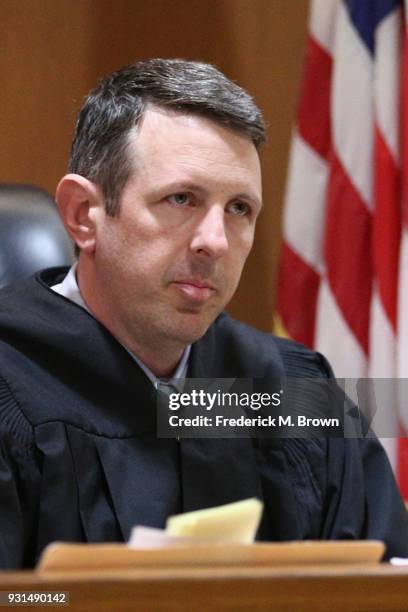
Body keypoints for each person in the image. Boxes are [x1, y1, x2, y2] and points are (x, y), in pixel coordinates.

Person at [0, 59, 406, 570]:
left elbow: (384, 587)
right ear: (84, 215)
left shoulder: (290, 389)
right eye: (181, 199)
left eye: (239, 208)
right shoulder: (11, 387)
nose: (215, 241)